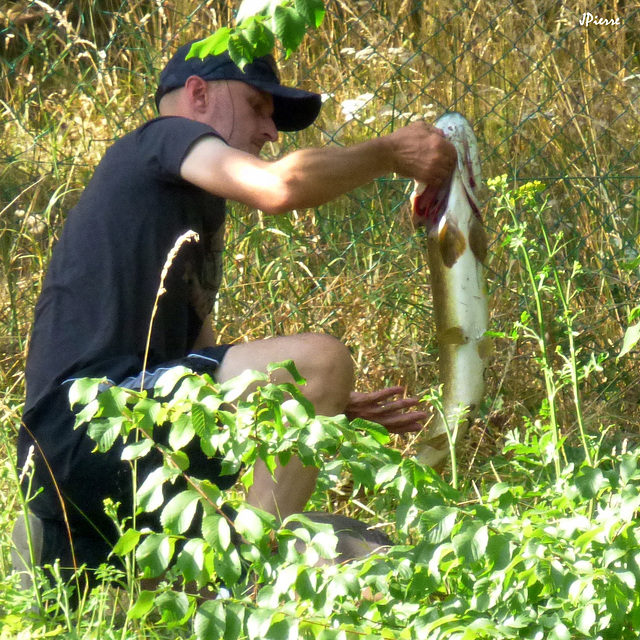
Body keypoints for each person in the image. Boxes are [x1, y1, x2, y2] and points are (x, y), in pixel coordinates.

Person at [14, 41, 457, 580]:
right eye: (257, 107)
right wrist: (389, 153)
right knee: (322, 359)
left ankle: (75, 550)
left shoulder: (185, 208)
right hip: (85, 428)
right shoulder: (163, 139)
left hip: (101, 452)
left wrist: (320, 403)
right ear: (198, 94)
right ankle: (247, 592)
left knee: (365, 547)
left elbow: (200, 360)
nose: (270, 132)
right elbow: (279, 186)